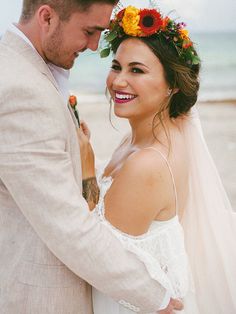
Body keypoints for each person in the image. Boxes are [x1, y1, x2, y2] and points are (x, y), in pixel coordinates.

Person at [0, 1, 184, 313]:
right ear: (47, 17)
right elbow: (68, 227)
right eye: (89, 31)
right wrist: (157, 298)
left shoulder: (28, 69)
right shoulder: (21, 86)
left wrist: (88, 169)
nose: (95, 45)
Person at [77, 5, 236, 314]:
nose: (118, 81)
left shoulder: (148, 162)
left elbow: (95, 252)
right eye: (116, 66)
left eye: (137, 70)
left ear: (172, 85)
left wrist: (86, 169)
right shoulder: (157, 132)